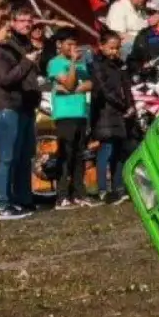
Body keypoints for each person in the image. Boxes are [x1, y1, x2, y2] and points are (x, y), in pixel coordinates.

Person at [0, 13, 41, 220]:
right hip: (2, 107)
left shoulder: (3, 48)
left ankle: (16, 199)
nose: (9, 34)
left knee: (18, 156)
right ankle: (2, 204)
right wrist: (26, 62)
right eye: (6, 30)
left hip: (15, 105)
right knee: (6, 157)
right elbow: (5, 78)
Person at [46, 32, 95, 209]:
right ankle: (62, 195)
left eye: (75, 45)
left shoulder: (82, 63)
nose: (72, 49)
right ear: (60, 44)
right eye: (68, 45)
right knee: (65, 154)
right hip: (65, 113)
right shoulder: (55, 63)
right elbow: (67, 83)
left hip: (81, 112)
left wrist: (77, 87)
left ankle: (79, 193)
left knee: (79, 154)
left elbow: (90, 83)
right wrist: (73, 64)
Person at [88, 30, 136, 204]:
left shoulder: (120, 64)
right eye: (110, 48)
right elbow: (105, 91)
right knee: (106, 151)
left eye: (117, 48)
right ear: (101, 47)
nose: (114, 52)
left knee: (119, 151)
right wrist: (124, 105)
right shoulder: (97, 65)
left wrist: (131, 105)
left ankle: (119, 187)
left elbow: (126, 86)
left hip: (120, 113)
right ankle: (103, 188)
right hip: (105, 113)